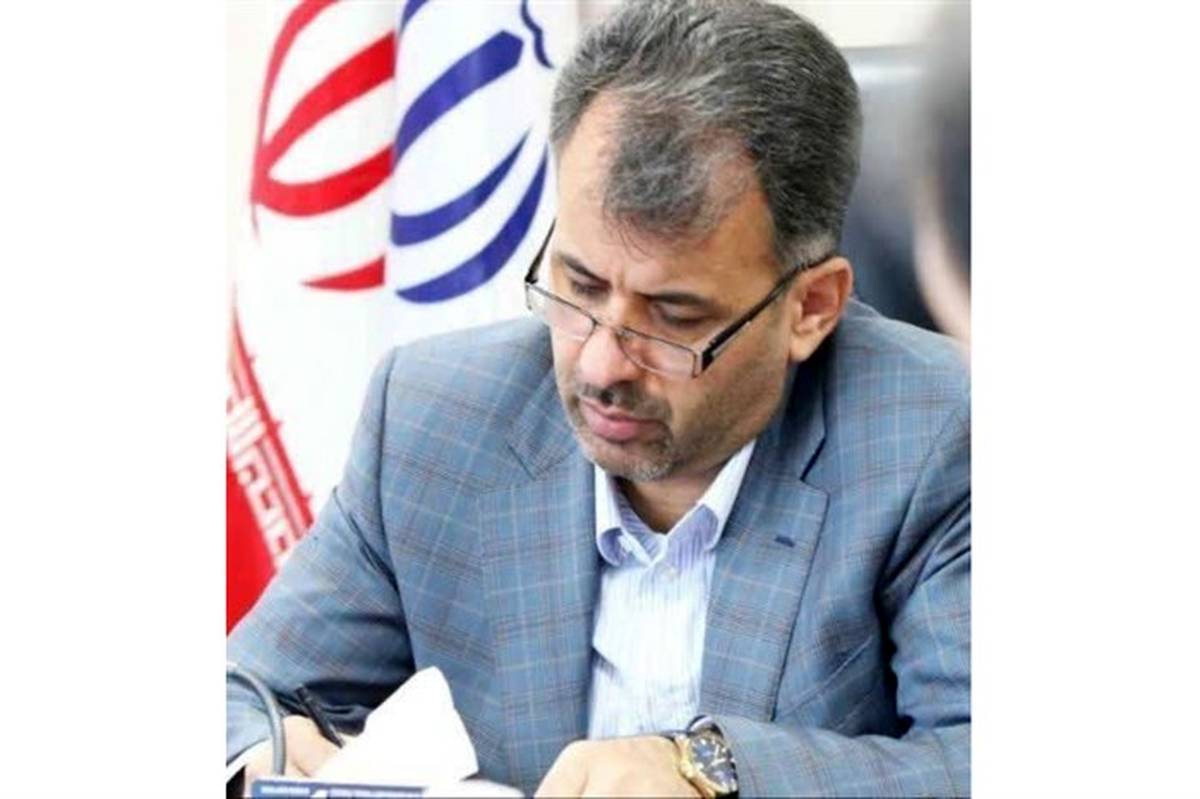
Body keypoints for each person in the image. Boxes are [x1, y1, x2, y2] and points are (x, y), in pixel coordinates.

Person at [227, 1, 970, 796]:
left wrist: (709, 770)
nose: (603, 362)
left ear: (811, 307)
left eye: (674, 316)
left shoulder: (935, 434)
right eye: (579, 286)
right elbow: (242, 692)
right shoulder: (434, 415)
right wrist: (256, 755)